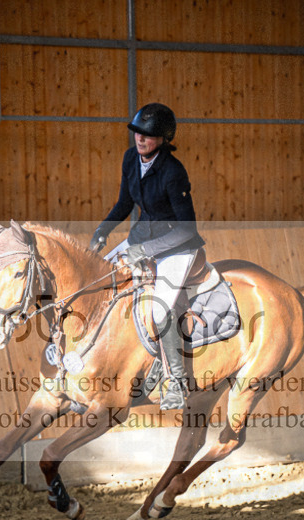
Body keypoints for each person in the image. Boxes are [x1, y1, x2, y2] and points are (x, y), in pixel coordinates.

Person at [88, 103, 204, 410]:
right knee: (99, 280)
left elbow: (187, 230)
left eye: (149, 135)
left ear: (164, 138)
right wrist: (103, 229)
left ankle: (176, 382)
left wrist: (146, 251)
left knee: (159, 311)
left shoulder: (173, 171)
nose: (141, 139)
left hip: (175, 246)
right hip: (141, 238)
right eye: (138, 133)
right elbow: (124, 203)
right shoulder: (130, 159)